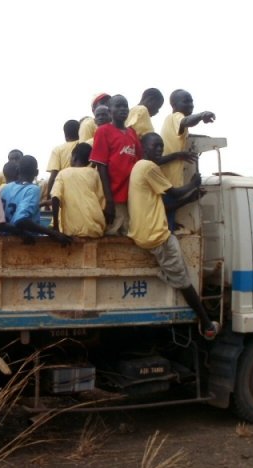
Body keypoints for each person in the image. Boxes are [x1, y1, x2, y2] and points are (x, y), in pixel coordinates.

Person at [128, 132, 219, 340]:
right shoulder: (149, 167)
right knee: (184, 279)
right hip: (157, 235)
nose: (159, 149)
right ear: (143, 148)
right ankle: (207, 324)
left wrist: (192, 197)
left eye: (161, 146)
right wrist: (194, 183)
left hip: (145, 232)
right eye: (155, 146)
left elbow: (167, 203)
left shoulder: (139, 168)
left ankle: (165, 273)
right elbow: (174, 194)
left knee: (177, 271)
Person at [90, 94, 142, 236]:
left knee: (131, 235)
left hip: (131, 196)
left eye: (125, 105)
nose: (123, 109)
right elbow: (101, 166)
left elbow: (139, 162)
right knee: (113, 235)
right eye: (118, 106)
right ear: (110, 110)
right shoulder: (103, 131)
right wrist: (109, 200)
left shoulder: (132, 133)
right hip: (114, 196)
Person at [1, 155, 71, 245]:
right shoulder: (32, 189)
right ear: (36, 172)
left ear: (17, 170)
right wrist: (53, 233)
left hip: (3, 239)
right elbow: (21, 220)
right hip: (22, 242)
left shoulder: (6, 188)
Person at [160, 89, 215, 189]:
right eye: (186, 102)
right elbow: (185, 121)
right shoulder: (175, 116)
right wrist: (202, 115)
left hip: (171, 179)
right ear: (174, 106)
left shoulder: (173, 123)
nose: (191, 105)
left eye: (191, 101)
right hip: (170, 181)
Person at [51, 143, 106, 237]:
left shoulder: (63, 174)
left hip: (72, 231)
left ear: (74, 158)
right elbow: (101, 202)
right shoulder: (94, 174)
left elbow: (55, 198)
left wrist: (55, 227)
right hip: (95, 230)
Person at [46, 120, 80, 199]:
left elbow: (53, 176)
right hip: (82, 188)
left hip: (64, 193)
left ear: (65, 134)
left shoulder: (58, 150)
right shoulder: (84, 145)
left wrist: (48, 198)